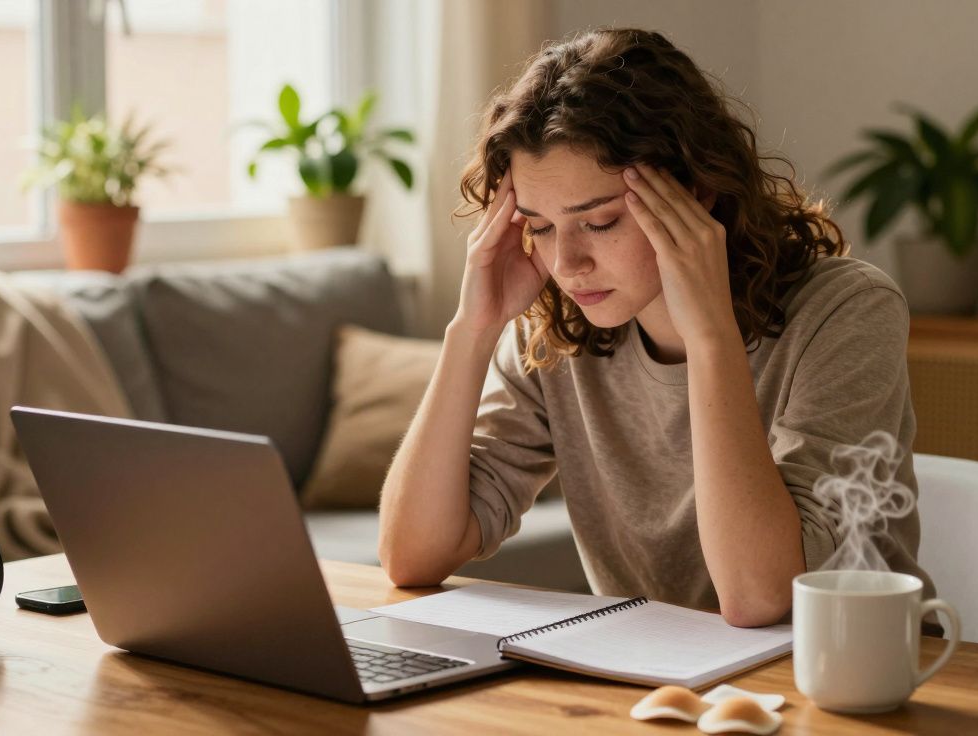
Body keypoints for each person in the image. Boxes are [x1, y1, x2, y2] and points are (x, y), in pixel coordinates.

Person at [377, 27, 936, 628]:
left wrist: (710, 337)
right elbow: (412, 556)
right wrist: (472, 329)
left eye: (599, 221)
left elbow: (761, 597)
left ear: (696, 190)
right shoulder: (558, 326)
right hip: (651, 673)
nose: (567, 263)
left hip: (843, 664)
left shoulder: (846, 310)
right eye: (539, 227)